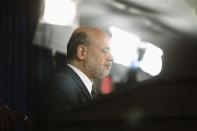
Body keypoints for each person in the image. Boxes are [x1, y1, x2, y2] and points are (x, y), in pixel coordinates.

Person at [41, 26, 113, 125]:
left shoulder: (91, 92)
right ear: (82, 52)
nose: (111, 57)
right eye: (105, 51)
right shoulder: (62, 85)